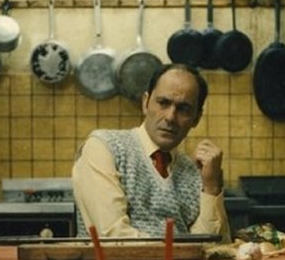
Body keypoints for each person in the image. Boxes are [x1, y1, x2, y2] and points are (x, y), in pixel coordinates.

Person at [72, 63, 229, 241]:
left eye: (184, 109)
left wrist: (211, 187)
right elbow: (113, 235)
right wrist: (177, 252)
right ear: (145, 103)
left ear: (196, 118)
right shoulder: (105, 147)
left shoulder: (194, 171)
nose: (170, 117)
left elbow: (210, 245)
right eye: (163, 103)